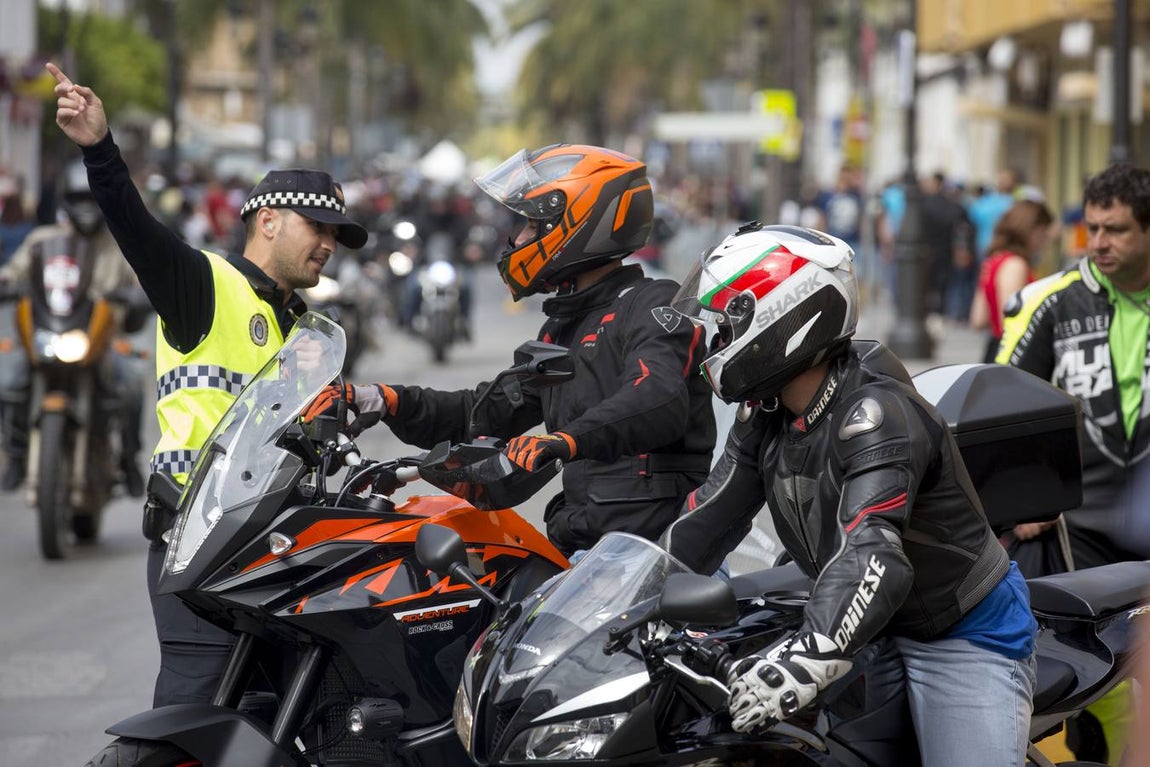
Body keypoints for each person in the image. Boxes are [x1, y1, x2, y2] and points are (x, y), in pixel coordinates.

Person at [47, 62, 368, 707]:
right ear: (269, 221)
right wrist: (100, 149)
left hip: (278, 544)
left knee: (309, 710)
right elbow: (133, 227)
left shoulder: (305, 328)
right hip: (200, 541)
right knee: (201, 710)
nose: (330, 245)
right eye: (319, 229)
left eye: (337, 235)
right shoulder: (202, 285)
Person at [662, 222, 1036, 765]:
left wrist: (811, 652)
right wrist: (624, 593)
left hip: (960, 633)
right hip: (864, 623)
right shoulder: (767, 413)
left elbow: (873, 551)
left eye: (728, 325)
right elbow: (707, 518)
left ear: (782, 316)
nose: (718, 343)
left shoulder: (877, 414)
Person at [307, 144, 717, 557]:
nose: (518, 239)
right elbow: (484, 413)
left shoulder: (652, 304)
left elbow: (657, 397)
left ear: (579, 225)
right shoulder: (562, 329)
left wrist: (564, 440)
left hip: (657, 557)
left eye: (532, 225)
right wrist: (388, 399)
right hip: (587, 550)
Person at [996, 163, 1150, 763]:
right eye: (1092, 228)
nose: (1100, 243)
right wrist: (1024, 498)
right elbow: (997, 398)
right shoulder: (1051, 302)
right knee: (1097, 676)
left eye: (1116, 230)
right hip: (1078, 530)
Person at [0, 160, 146, 494]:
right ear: (66, 201)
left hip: (102, 341)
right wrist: (6, 282)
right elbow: (15, 271)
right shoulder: (42, 240)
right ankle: (17, 455)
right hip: (49, 333)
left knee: (132, 387)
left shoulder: (120, 244)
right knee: (11, 381)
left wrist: (139, 295)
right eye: (79, 199)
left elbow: (142, 282)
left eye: (92, 199)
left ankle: (129, 459)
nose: (86, 208)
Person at [969, 199, 1054, 362]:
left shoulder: (993, 260)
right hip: (1011, 352)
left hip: (993, 348)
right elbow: (1010, 322)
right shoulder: (1016, 265)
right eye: (1043, 233)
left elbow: (978, 319)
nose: (1045, 241)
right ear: (1031, 230)